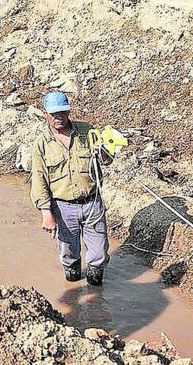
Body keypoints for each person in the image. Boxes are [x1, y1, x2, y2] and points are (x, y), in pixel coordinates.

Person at [29, 92, 113, 286]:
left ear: (68, 111)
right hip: (63, 207)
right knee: (68, 252)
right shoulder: (41, 144)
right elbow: (39, 180)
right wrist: (46, 213)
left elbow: (107, 161)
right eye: (54, 114)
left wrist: (104, 150)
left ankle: (95, 290)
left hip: (92, 203)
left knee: (99, 252)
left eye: (62, 112)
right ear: (45, 115)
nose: (59, 117)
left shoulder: (87, 131)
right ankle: (73, 283)